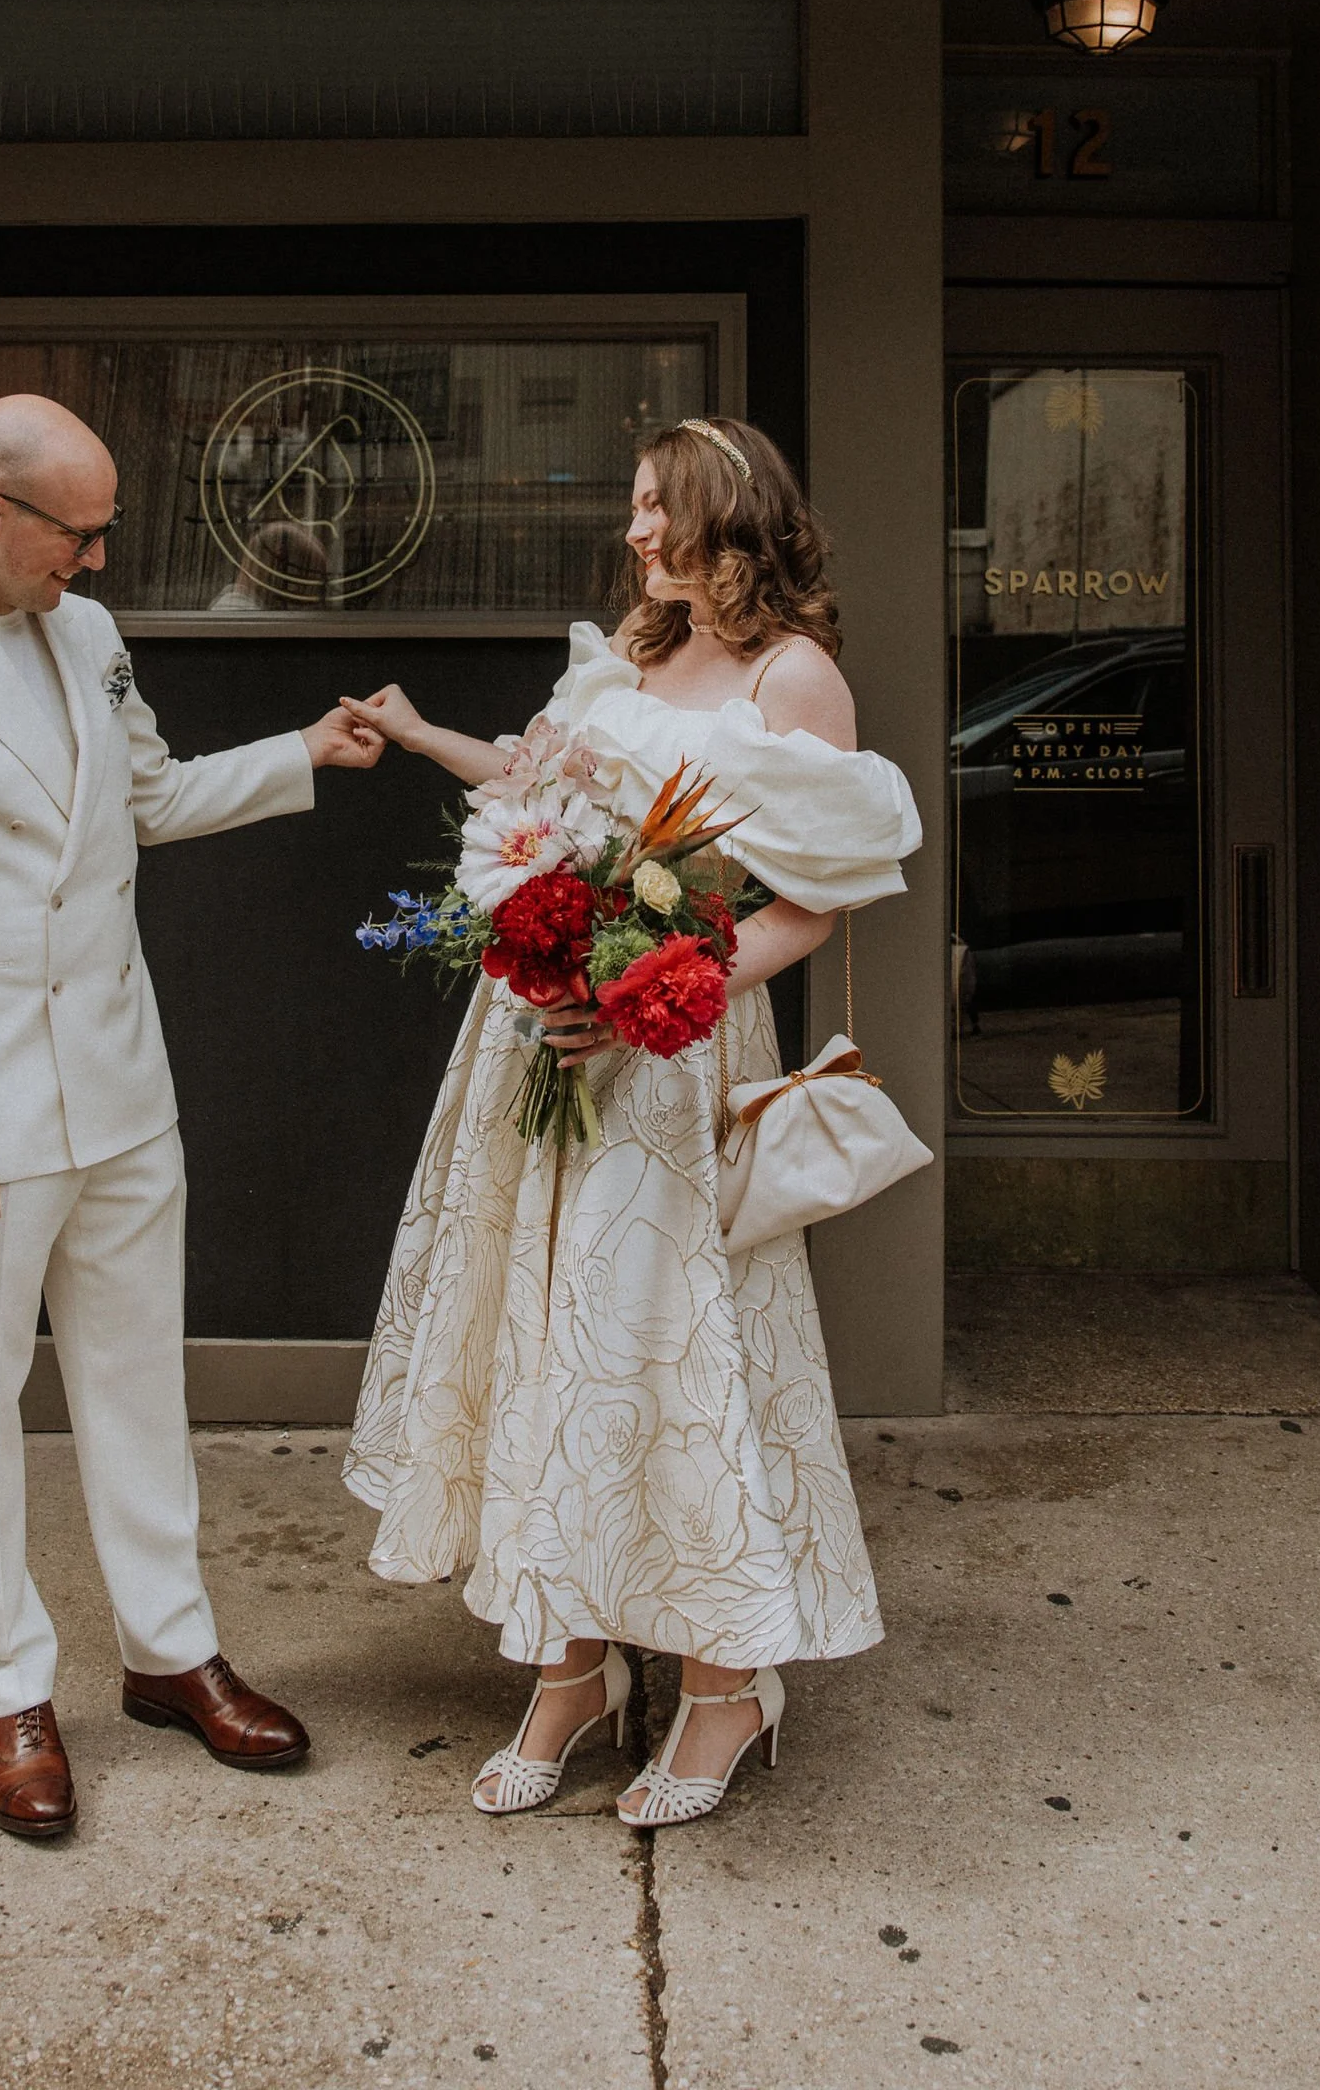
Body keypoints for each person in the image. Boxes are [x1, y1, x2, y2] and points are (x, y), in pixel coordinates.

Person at [0, 393, 381, 1841]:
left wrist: (302, 754)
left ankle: (168, 1653)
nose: (101, 559)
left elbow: (149, 799)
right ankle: (5, 1690)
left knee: (137, 1383)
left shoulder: (85, 631)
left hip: (120, 1086)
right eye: (82, 532)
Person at [339, 418, 921, 1828]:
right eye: (637, 507)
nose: (636, 531)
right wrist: (422, 737)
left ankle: (727, 1688)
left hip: (672, 1050)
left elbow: (814, 897)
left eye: (658, 507)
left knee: (674, 1352)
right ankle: (571, 1668)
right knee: (550, 1343)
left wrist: (656, 987)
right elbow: (542, 794)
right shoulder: (629, 656)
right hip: (542, 1046)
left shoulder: (794, 677)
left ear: (728, 518)